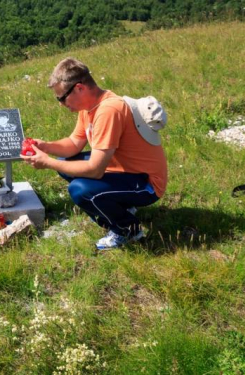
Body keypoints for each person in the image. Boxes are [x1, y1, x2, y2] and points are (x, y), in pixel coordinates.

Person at [21, 57, 167, 249]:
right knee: (66, 163)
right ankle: (120, 207)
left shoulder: (108, 111)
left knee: (80, 190)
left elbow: (95, 170)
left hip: (146, 183)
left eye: (62, 98)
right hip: (125, 171)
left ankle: (127, 230)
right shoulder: (89, 107)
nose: (61, 104)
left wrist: (47, 162)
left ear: (79, 88)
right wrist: (46, 146)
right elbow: (74, 143)